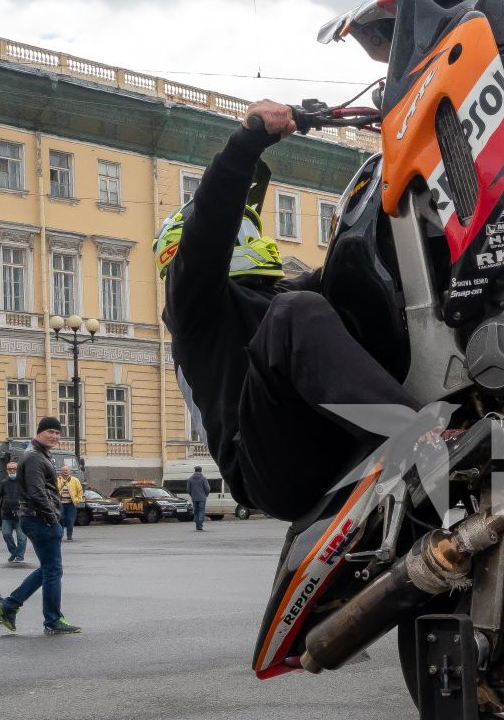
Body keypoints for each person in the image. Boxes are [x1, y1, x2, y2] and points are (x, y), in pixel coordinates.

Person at [156, 100, 414, 522]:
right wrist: (248, 143)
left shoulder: (282, 295)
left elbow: (351, 275)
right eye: (244, 226)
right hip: (267, 470)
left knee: (355, 276)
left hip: (320, 435)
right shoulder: (194, 309)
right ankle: (416, 436)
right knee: (296, 311)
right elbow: (208, 229)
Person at [0, 416, 80, 635]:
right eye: (50, 432)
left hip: (37, 518)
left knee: (48, 569)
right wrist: (52, 517)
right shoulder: (34, 456)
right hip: (40, 519)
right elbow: (36, 491)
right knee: (53, 570)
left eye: (57, 432)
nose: (54, 436)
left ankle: (10, 605)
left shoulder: (39, 454)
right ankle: (52, 620)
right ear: (39, 432)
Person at [0, 458, 27, 565]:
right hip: (6, 514)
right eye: (9, 469)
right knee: (6, 535)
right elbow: (0, 495)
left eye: (14, 468)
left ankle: (19, 556)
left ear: (17, 470)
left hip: (21, 514)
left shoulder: (23, 482)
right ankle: (14, 552)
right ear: (7, 470)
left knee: (21, 538)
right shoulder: (4, 482)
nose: (12, 470)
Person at [57, 466, 83, 540]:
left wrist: (77, 500)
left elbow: (80, 491)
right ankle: (60, 536)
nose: (65, 472)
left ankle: (69, 536)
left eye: (67, 470)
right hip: (60, 504)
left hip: (71, 504)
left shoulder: (75, 480)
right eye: (64, 470)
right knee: (60, 520)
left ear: (69, 471)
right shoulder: (57, 480)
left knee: (70, 520)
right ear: (61, 472)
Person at [187, 465, 211, 531]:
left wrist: (192, 495)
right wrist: (205, 495)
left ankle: (198, 525)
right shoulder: (203, 479)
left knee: (196, 511)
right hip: (202, 498)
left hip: (194, 498)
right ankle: (200, 525)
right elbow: (208, 489)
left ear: (195, 471)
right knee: (201, 511)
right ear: (201, 470)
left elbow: (188, 490)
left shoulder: (190, 479)